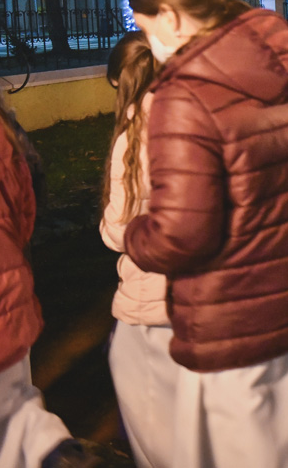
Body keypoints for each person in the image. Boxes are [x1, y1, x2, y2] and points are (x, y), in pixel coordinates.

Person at [122, 0, 288, 468]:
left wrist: (135, 235)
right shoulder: (286, 76)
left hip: (231, 321)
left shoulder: (187, 94)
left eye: (145, 26)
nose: (149, 41)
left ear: (170, 18)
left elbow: (182, 234)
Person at [0, 63, 99, 468]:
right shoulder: (0, 138)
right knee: (7, 407)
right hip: (4, 311)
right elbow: (25, 218)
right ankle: (49, 448)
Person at [100, 33, 176, 468]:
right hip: (193, 296)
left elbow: (118, 228)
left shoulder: (133, 136)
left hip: (148, 297)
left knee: (153, 425)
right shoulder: (189, 120)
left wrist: (110, 228)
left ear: (120, 82)